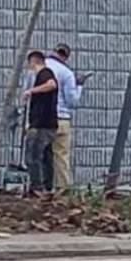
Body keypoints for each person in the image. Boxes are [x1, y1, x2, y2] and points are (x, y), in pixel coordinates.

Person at [45, 43, 87, 192]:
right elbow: (72, 101)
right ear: (66, 56)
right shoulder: (66, 73)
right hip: (60, 118)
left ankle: (39, 188)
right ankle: (62, 190)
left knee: (40, 155)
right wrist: (79, 85)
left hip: (40, 119)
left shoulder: (37, 70)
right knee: (61, 155)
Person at [22, 50, 59, 196]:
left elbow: (52, 85)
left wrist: (31, 91)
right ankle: (48, 187)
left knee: (33, 156)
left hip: (41, 124)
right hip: (48, 124)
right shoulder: (45, 74)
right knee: (46, 157)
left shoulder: (45, 73)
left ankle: (37, 187)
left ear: (33, 62)